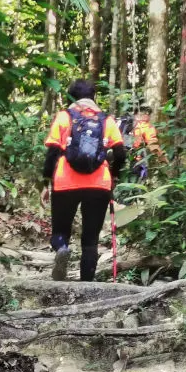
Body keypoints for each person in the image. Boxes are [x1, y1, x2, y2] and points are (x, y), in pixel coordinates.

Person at [41, 79, 126, 281]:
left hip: (65, 183)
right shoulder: (107, 120)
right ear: (93, 96)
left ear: (72, 96)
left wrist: (46, 182)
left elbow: (52, 153)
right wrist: (113, 174)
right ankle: (86, 283)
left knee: (60, 230)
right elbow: (121, 154)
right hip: (99, 185)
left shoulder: (64, 117)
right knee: (91, 239)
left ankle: (62, 248)